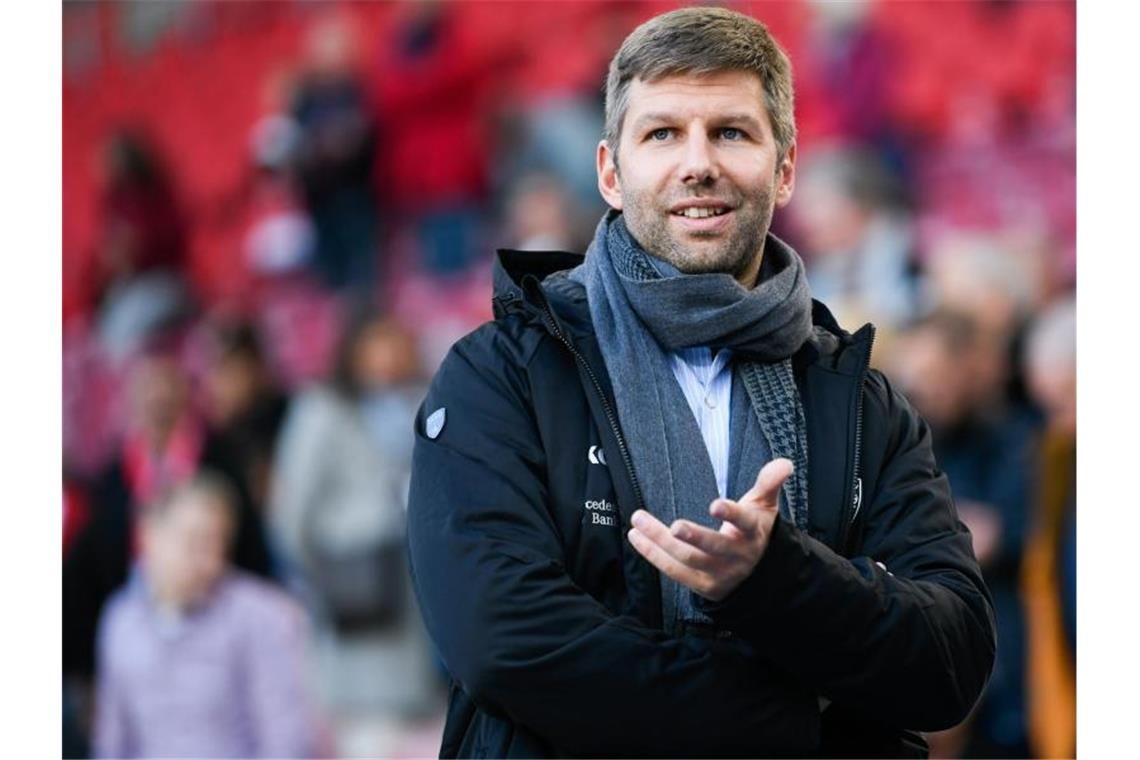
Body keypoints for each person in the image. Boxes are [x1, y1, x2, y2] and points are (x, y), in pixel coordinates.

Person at [407, 7, 995, 758]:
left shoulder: (860, 402)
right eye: (662, 134)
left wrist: (779, 578)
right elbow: (506, 642)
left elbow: (953, 659)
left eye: (731, 132)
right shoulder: (501, 377)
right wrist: (793, 715)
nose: (698, 163)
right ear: (610, 174)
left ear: (784, 170)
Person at [93, 473, 323, 758]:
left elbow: (287, 739)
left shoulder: (262, 616)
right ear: (149, 535)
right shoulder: (121, 621)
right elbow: (113, 743)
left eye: (219, 545)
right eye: (195, 542)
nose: (210, 562)